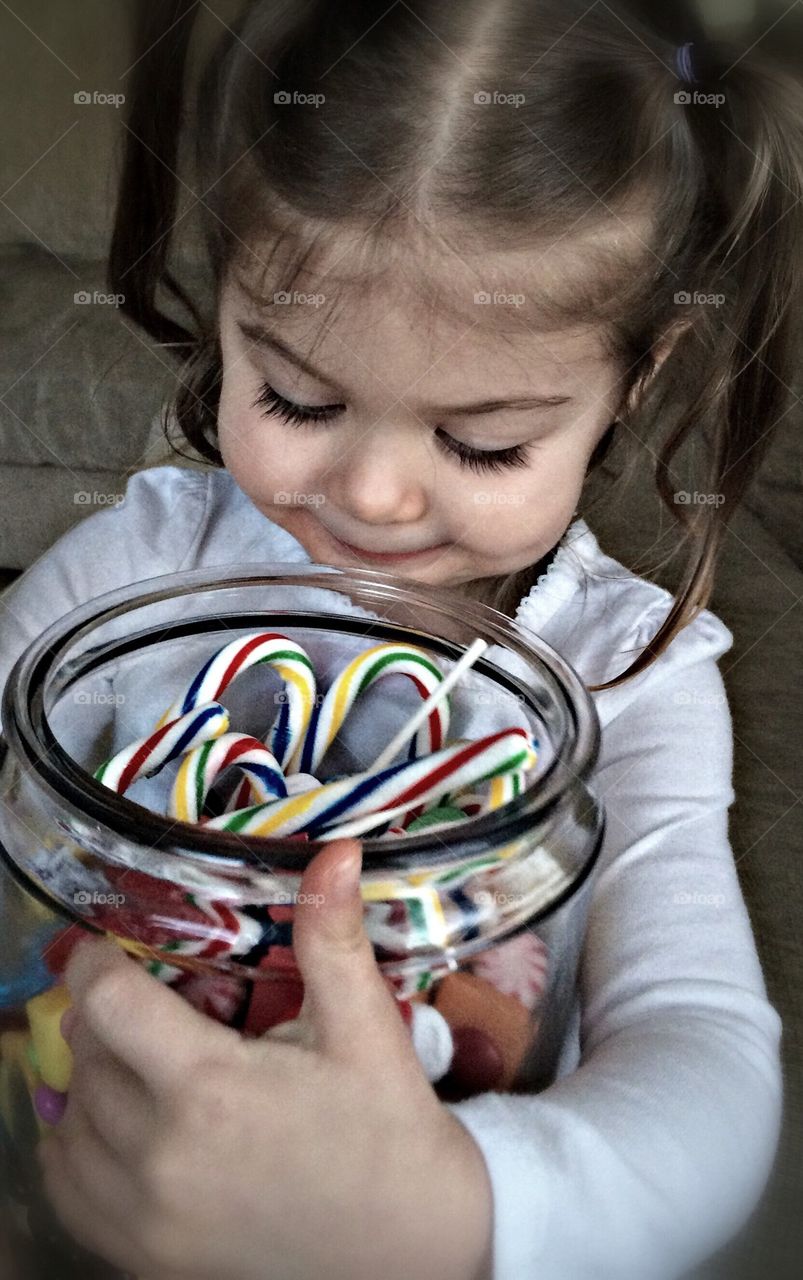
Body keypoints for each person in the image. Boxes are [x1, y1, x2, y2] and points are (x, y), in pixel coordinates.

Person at [1, 1, 800, 1276]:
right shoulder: (142, 560)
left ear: (637, 379)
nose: (371, 496)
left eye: (481, 441)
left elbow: (702, 1055)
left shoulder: (633, 677)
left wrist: (457, 1211)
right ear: (226, 311)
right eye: (295, 394)